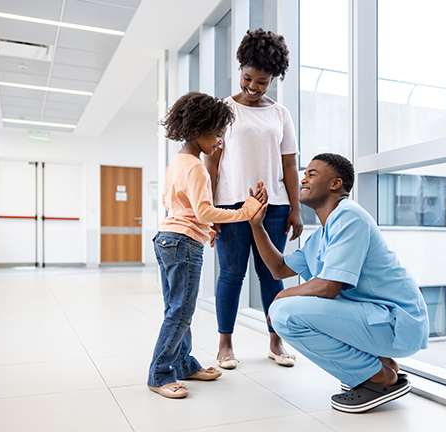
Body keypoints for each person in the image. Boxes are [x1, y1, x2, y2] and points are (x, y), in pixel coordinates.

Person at [248, 153, 430, 413]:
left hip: (396, 322)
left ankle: (377, 377)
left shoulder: (349, 216)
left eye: (312, 174)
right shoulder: (322, 233)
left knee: (284, 314)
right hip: (376, 320)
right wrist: (257, 226)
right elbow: (278, 269)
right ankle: (380, 364)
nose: (303, 179)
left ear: (335, 184)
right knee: (289, 308)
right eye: (305, 174)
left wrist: (283, 296)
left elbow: (328, 287)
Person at [148, 92, 267, 399]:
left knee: (177, 308)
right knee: (181, 312)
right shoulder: (198, 167)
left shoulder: (176, 163)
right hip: (184, 244)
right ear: (199, 130)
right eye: (216, 135)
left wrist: (203, 228)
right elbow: (203, 211)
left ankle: (185, 364)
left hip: (167, 239)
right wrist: (244, 212)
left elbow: (169, 202)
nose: (219, 143)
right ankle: (160, 374)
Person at [204, 28, 302, 369]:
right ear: (240, 69)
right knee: (231, 274)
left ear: (273, 78)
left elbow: (290, 164)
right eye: (248, 78)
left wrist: (296, 209)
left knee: (270, 275)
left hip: (274, 206)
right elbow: (211, 163)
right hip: (231, 205)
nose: (253, 87)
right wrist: (211, 212)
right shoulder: (223, 109)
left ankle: (276, 340)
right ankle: (225, 345)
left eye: (262, 81)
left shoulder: (281, 114)